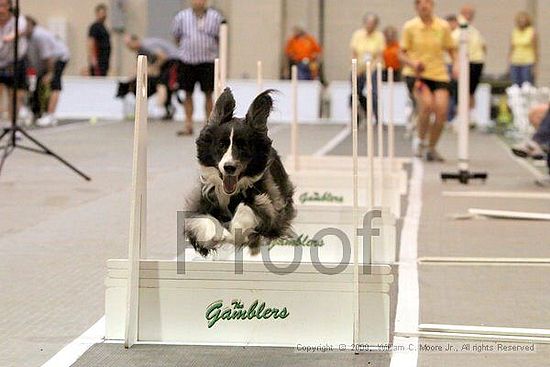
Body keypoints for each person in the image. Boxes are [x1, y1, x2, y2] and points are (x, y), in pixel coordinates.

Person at [399, 0, 457, 161]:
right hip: (417, 74)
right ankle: (420, 140)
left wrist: (457, 65)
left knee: (441, 111)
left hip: (438, 74)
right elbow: (401, 54)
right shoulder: (410, 27)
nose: (424, 7)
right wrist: (413, 63)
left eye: (427, 3)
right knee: (427, 105)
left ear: (432, 5)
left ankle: (432, 147)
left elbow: (452, 50)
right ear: (416, 7)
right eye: (421, 4)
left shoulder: (443, 26)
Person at [172, 0, 224, 136]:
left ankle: (210, 125)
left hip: (207, 61)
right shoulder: (181, 17)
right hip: (187, 61)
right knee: (187, 93)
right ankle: (188, 124)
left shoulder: (215, 17)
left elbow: (221, 37)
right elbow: (176, 36)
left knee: (208, 93)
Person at [123, 34, 180, 120]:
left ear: (135, 41)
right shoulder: (140, 51)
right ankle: (166, 107)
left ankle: (159, 108)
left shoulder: (147, 45)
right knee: (159, 83)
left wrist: (154, 67)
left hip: (173, 61)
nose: (128, 47)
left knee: (161, 83)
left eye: (129, 44)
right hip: (166, 63)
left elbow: (163, 56)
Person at [26, 16, 70, 127]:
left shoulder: (39, 35)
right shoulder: (26, 37)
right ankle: (36, 113)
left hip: (59, 57)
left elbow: (48, 57)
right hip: (43, 63)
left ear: (31, 25)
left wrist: (50, 73)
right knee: (37, 85)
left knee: (54, 83)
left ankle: (50, 115)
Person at [350, 13, 385, 122]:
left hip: (374, 68)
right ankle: (360, 115)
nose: (370, 25)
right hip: (359, 68)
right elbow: (353, 53)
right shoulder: (357, 35)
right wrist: (355, 68)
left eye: (372, 23)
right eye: (368, 23)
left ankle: (378, 118)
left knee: (374, 93)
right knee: (355, 93)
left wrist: (370, 70)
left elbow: (380, 56)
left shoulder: (379, 36)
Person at [455, 4, 486, 121]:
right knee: (462, 90)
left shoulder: (474, 31)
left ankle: (470, 115)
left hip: (477, 62)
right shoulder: (460, 28)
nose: (469, 15)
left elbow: (483, 46)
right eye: (466, 13)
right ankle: (461, 116)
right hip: (464, 62)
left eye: (471, 13)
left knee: (471, 91)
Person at [0, 0, 28, 123]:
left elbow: (19, 31)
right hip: (0, 60)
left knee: (15, 95)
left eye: (3, 6)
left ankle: (13, 125)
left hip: (15, 61)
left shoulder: (18, 20)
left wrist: (9, 37)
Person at [509, 11, 537, 86]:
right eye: (520, 20)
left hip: (527, 62)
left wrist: (535, 65)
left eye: (523, 20)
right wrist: (509, 60)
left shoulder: (531, 31)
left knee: (526, 85)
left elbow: (535, 49)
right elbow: (512, 47)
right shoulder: (514, 31)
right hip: (515, 61)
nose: (522, 22)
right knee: (515, 84)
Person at [87, 3, 111, 76]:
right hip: (98, 60)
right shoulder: (94, 27)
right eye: (102, 13)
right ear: (97, 13)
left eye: (105, 13)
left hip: (104, 60)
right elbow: (91, 42)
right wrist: (93, 58)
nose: (104, 15)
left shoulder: (103, 27)